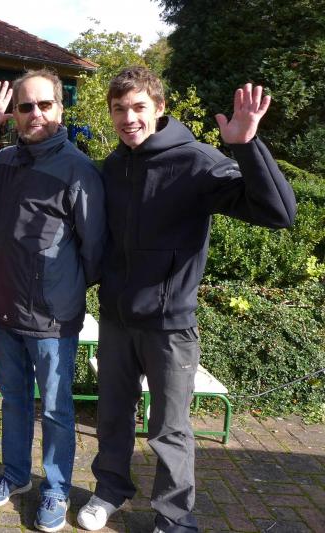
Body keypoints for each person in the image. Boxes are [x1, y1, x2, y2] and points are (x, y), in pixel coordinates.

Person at [77, 67, 297, 533]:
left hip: (170, 326)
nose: (128, 118)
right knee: (112, 417)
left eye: (139, 107)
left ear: (159, 107)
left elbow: (278, 212)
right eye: (119, 109)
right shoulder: (112, 167)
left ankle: (174, 516)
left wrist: (246, 145)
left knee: (169, 428)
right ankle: (109, 491)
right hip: (117, 319)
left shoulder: (196, 161)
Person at [0, 70, 106, 532]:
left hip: (52, 316)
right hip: (4, 308)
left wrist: (59, 289)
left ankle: (57, 488)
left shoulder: (79, 170)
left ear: (60, 108)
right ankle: (16, 474)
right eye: (25, 107)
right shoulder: (1, 163)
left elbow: (95, 251)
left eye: (45, 105)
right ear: (15, 114)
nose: (36, 114)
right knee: (15, 400)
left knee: (56, 410)